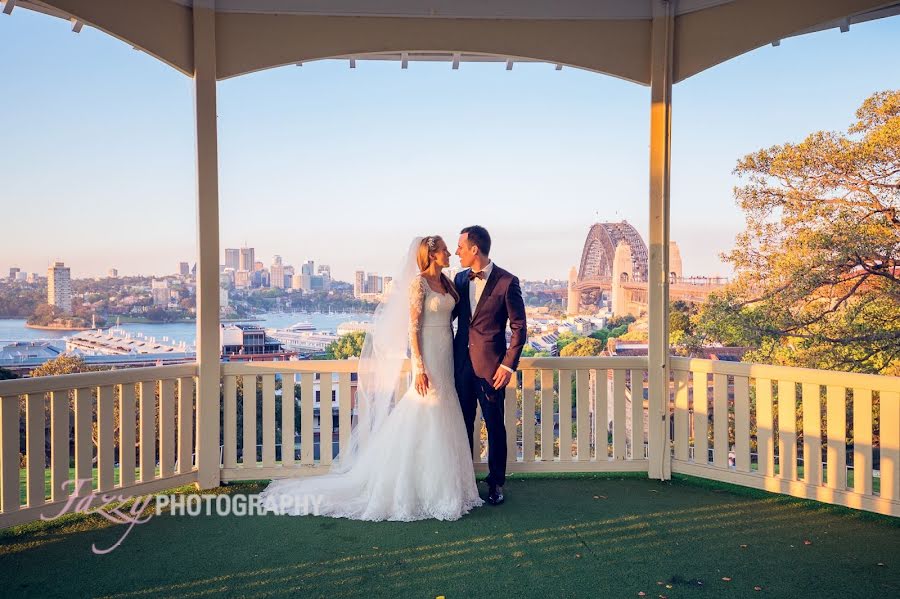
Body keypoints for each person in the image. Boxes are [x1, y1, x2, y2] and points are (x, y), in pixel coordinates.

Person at [259, 236, 483, 521]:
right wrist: (420, 367)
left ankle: (449, 488)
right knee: (427, 407)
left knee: (445, 408)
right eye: (444, 249)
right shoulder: (419, 284)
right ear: (432, 254)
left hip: (446, 351)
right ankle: (417, 488)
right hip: (427, 354)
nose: (450, 252)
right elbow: (413, 329)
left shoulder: (449, 283)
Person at [453, 226, 527, 505]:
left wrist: (507, 366)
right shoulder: (459, 279)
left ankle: (496, 483)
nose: (456, 251)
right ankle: (462, 480)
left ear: (475, 249)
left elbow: (519, 328)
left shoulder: (507, 282)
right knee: (460, 425)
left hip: (491, 369)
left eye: (460, 246)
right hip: (460, 366)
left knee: (495, 426)